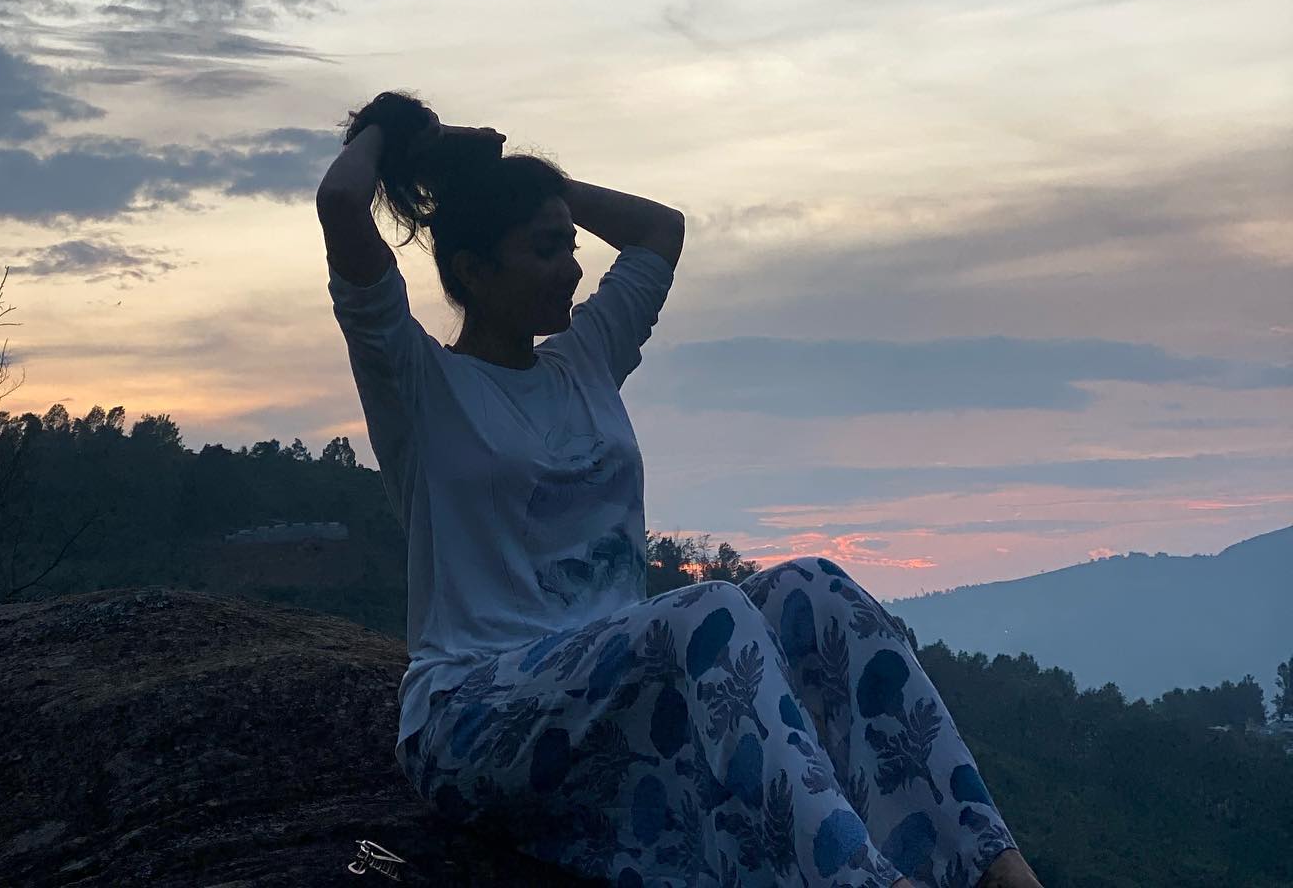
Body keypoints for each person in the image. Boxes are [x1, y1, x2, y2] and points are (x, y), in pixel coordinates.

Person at [316, 89, 1044, 888]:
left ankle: (997, 872)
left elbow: (661, 230)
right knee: (709, 610)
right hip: (477, 715)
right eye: (548, 248)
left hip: (620, 701)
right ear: (474, 273)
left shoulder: (585, 358)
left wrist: (523, 177)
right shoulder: (419, 382)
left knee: (815, 588)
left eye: (570, 243)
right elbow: (344, 202)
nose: (575, 264)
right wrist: (405, 134)